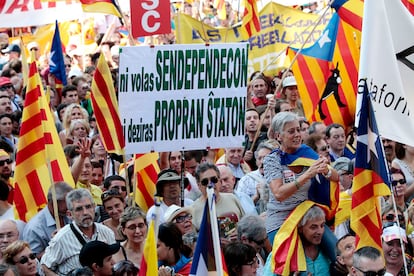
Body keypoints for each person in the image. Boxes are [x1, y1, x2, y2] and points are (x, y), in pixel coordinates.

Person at [263, 112, 338, 250]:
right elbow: (279, 194)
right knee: (293, 268)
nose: (297, 134)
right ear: (278, 136)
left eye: (298, 129)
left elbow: (336, 177)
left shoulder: (306, 152)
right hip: (281, 220)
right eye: (291, 131)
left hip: (307, 218)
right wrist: (308, 174)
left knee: (338, 253)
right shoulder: (272, 160)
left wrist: (325, 169)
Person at [41, 188, 116, 275]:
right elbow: (44, 267)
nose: (85, 212)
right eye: (79, 209)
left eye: (88, 207)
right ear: (69, 214)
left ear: (94, 207)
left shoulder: (107, 232)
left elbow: (113, 261)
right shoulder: (61, 238)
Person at [22, 182, 73, 258]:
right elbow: (33, 259)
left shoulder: (69, 215)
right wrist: (54, 245)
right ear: (54, 203)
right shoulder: (34, 228)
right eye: (68, 202)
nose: (71, 205)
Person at [192, 163, 245, 234]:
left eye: (214, 179)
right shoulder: (193, 210)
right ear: (199, 185)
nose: (210, 184)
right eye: (205, 181)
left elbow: (245, 226)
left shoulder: (232, 198)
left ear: (219, 181)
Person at [237, 141, 276, 214]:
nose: (262, 162)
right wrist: (256, 196)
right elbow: (241, 208)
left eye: (266, 158)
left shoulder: (281, 177)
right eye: (259, 158)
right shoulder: (247, 180)